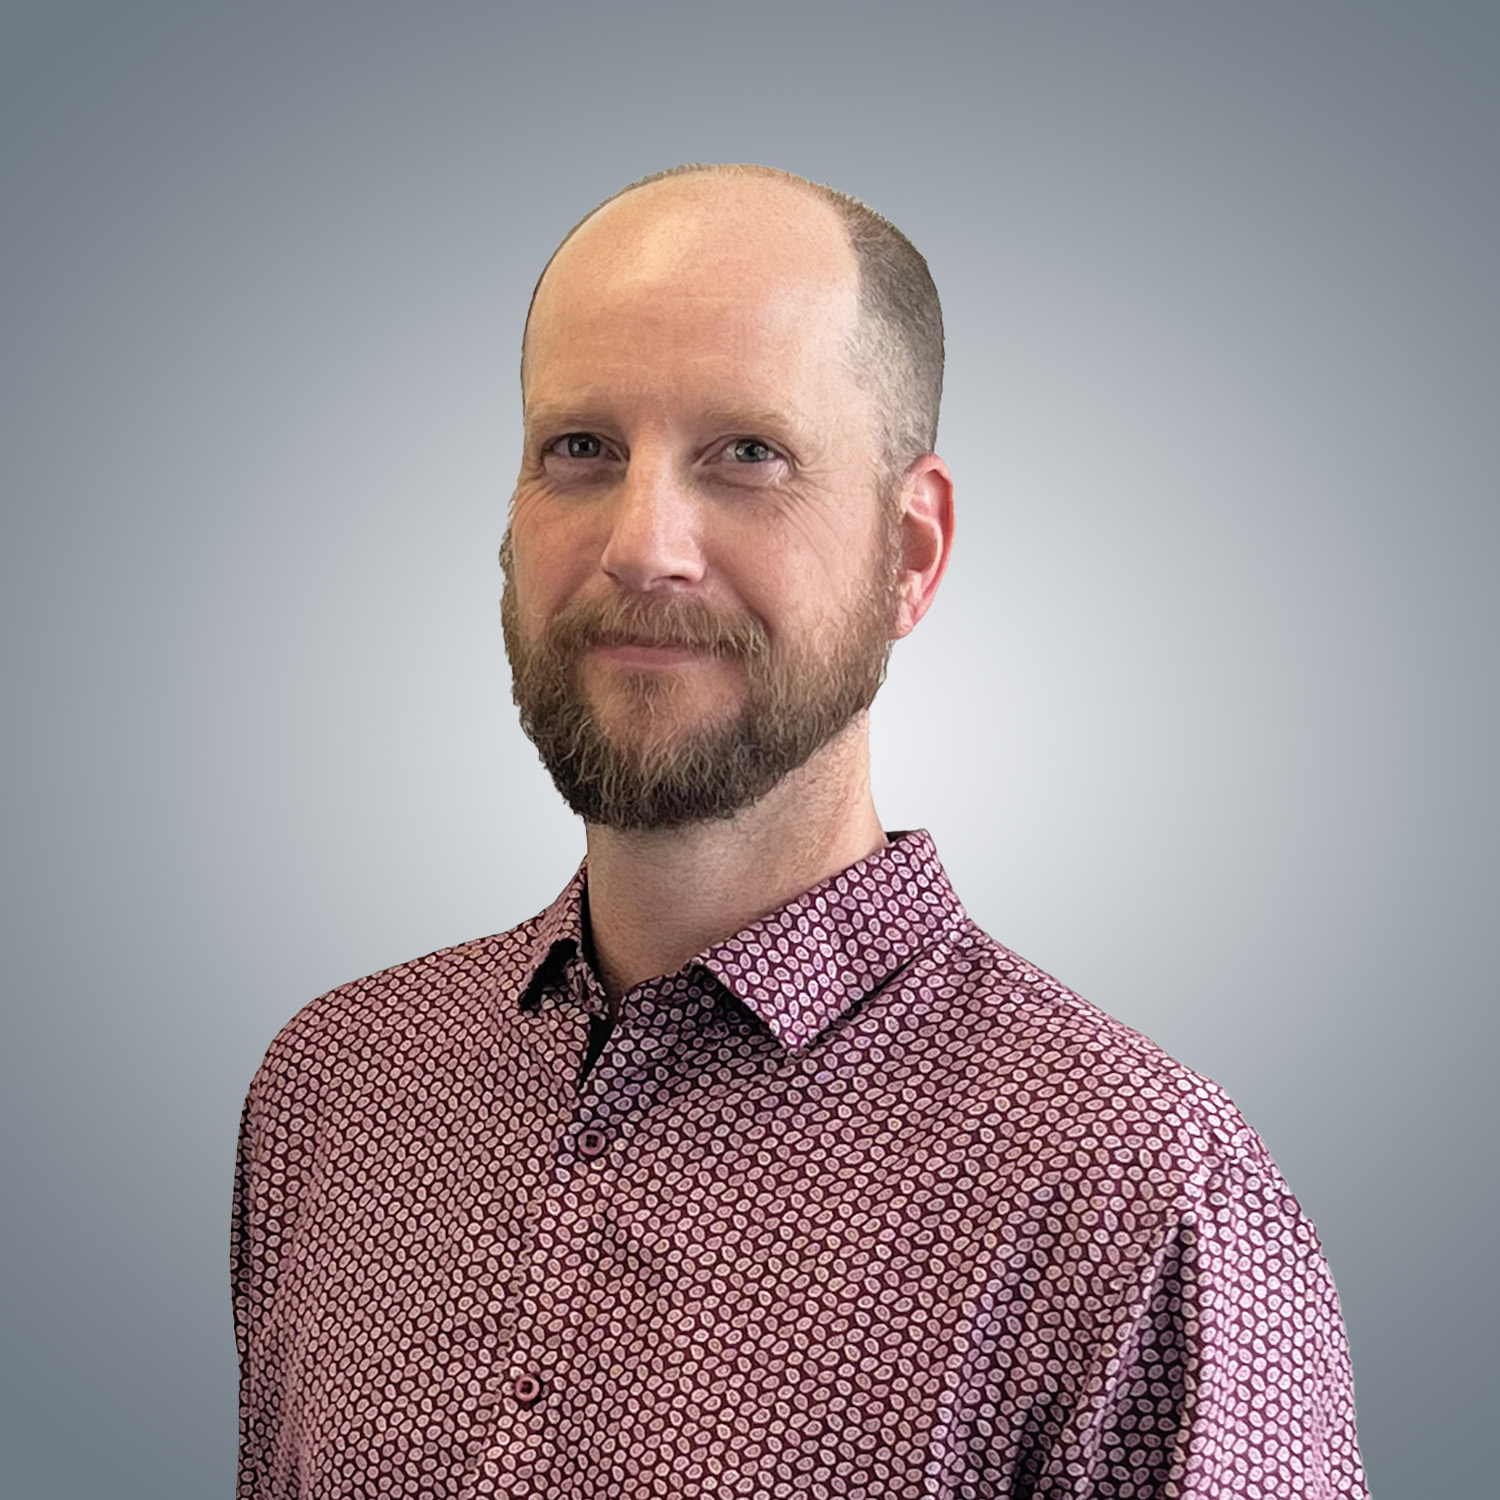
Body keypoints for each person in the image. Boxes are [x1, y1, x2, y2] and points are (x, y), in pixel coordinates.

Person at [233, 165, 1368, 1499]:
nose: (643, 545)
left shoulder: (1138, 1189)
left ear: (912, 551)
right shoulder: (335, 1089)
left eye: (749, 455)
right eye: (581, 449)